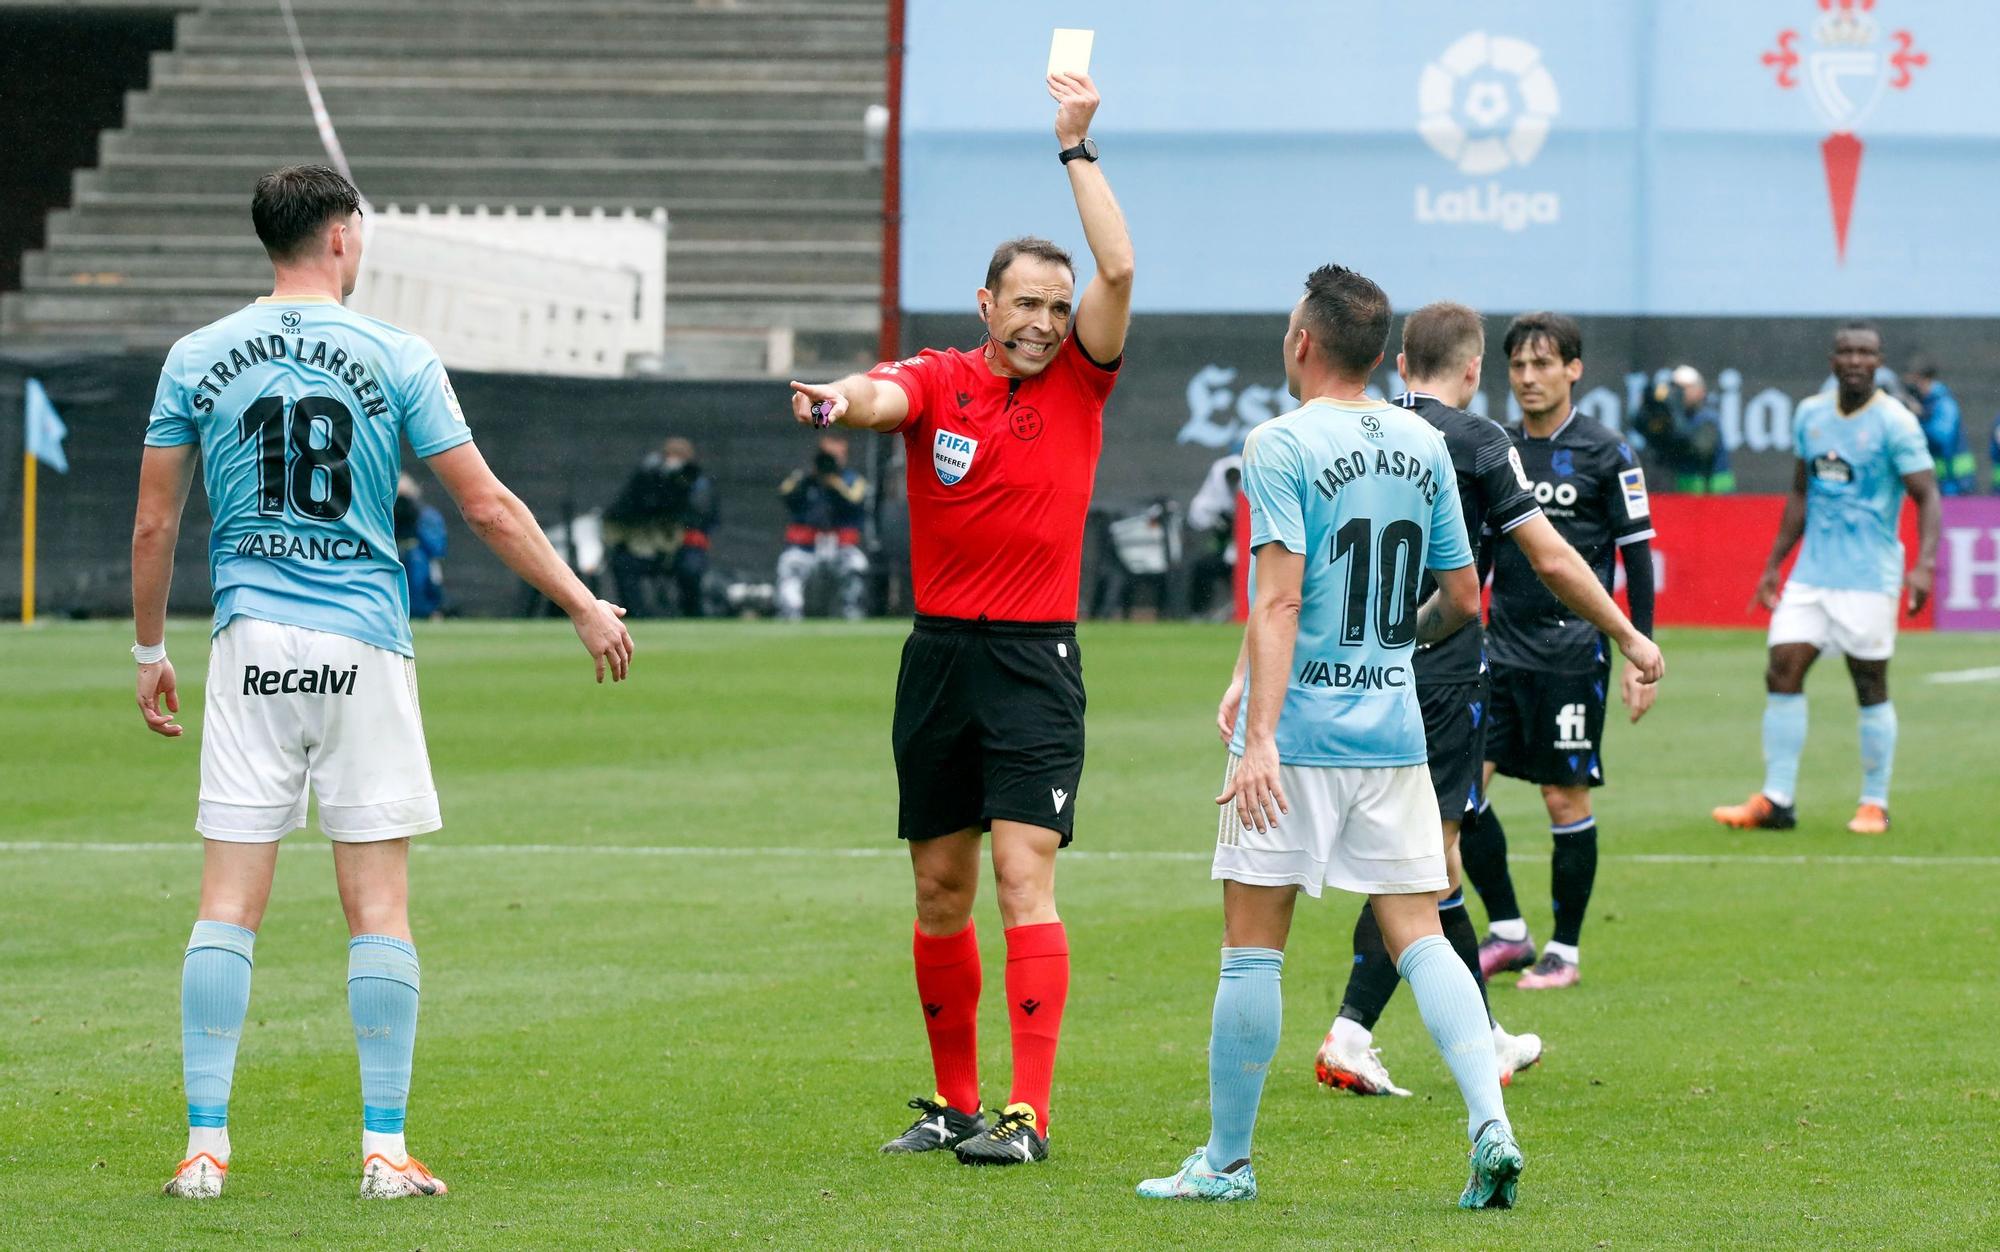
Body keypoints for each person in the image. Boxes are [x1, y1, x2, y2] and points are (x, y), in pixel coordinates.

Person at [132, 165, 633, 1201]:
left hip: (250, 646)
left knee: (227, 904)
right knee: (379, 907)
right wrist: (581, 601)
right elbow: (487, 506)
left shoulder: (195, 356)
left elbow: (153, 524)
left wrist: (148, 653)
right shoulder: (398, 355)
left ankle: (205, 1147)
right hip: (361, 644)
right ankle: (383, 1148)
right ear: (343, 239)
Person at [786, 70, 1132, 1166]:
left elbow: (1119, 266)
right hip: (937, 657)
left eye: (1053, 303)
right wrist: (839, 399)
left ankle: (1026, 1115)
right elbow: (878, 392)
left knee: (1022, 873)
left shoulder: (1084, 378)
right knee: (939, 885)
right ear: (986, 306)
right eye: (1021, 303)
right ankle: (952, 1103)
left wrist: (1074, 150)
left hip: (1035, 660)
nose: (1040, 320)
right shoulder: (940, 378)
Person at [1134, 265, 1522, 1208]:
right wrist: (1391, 644)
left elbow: (1278, 597)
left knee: (1252, 949)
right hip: (1391, 734)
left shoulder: (1278, 443)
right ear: (1383, 357)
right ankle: (1490, 1128)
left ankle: (1226, 1163)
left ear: (1302, 342)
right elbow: (1466, 599)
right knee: (1420, 933)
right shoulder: (1420, 443)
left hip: (1299, 736)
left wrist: (1258, 733)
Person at [1314, 303, 1665, 1096]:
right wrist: (1631, 636)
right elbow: (1549, 559)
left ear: (1401, 362)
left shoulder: (1349, 430)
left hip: (1344, 672)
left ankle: (1454, 1027)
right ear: (1475, 370)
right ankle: (1368, 1032)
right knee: (1424, 862)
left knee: (1419, 858)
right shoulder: (1477, 442)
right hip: (1438, 671)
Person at [1460, 313, 1658, 992]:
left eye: (1543, 364)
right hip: (1500, 650)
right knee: (1463, 792)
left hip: (1573, 655)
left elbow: (1638, 556)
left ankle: (1565, 951)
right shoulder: (1495, 447)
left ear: (1574, 369)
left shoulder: (1609, 454)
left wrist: (1639, 652)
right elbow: (1480, 551)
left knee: (1561, 797)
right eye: (1518, 366)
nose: (1528, 378)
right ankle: (1510, 930)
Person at [1713, 323, 1940, 835]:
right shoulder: (1811, 414)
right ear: (1833, 359)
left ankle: (1874, 803)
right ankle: (1777, 800)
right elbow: (1800, 492)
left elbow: (1928, 495)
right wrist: (1775, 563)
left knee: (1869, 684)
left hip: (1869, 577)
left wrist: (1924, 563)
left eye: (1866, 353)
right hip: (1812, 574)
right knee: (1782, 669)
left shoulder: (1895, 423)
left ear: (1878, 362)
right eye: (1847, 352)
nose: (1856, 360)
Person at [602, 437, 717, 618]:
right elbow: (624, 510)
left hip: (681, 547)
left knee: (691, 568)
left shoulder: (696, 482)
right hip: (648, 545)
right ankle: (637, 614)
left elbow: (702, 516)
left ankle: (693, 614)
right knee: (623, 564)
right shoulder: (649, 479)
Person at [776, 431, 870, 620]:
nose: (831, 461)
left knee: (857, 565)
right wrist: (810, 476)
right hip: (806, 548)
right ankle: (790, 614)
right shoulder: (805, 478)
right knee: (788, 565)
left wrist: (835, 483)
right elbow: (784, 493)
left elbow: (856, 500)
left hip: (840, 547)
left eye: (837, 456)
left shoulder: (853, 480)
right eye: (828, 455)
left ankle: (851, 613)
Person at [1902, 357, 1973, 496]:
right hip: (1939, 480)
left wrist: (1918, 419)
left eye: (1914, 382)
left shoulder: (1943, 403)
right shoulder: (1927, 403)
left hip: (1954, 481)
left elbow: (1941, 437)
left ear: (1923, 380)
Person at [1185, 450, 1242, 619]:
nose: (1233, 483)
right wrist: (1222, 519)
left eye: (1236, 478)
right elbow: (1198, 517)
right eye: (1230, 479)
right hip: (1228, 555)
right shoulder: (1215, 499)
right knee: (1202, 567)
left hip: (1256, 557)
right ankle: (1199, 615)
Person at [394, 473, 448, 619]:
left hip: (419, 557)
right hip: (394, 553)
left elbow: (436, 546)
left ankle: (428, 610)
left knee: (419, 569)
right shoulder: (383, 515)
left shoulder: (425, 515)